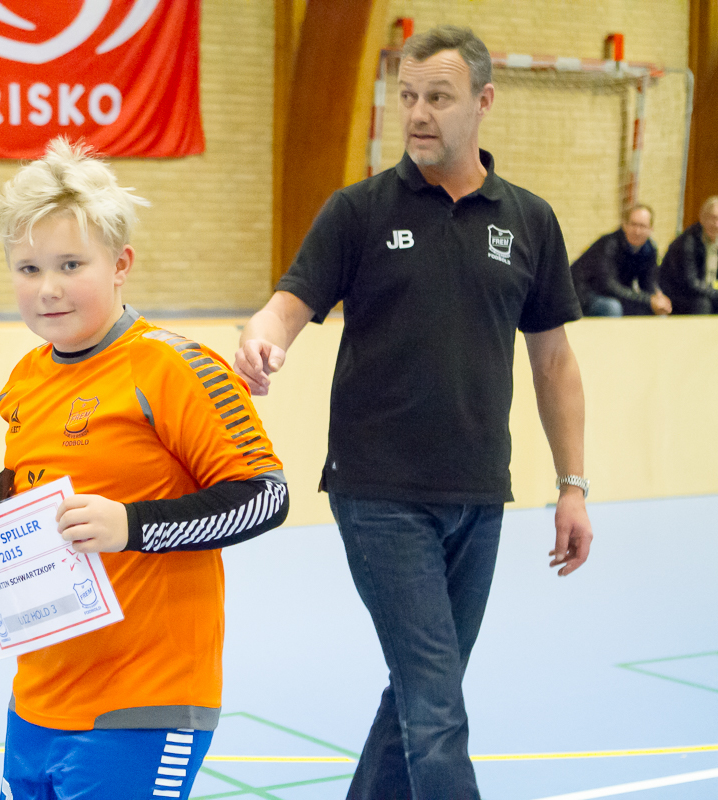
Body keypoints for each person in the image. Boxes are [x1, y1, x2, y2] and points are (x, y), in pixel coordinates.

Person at [234, 26, 593, 800]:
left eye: (438, 97)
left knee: (420, 692)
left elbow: (554, 363)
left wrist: (573, 484)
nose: (419, 113)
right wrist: (262, 339)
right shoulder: (359, 211)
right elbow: (288, 304)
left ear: (483, 102)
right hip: (379, 494)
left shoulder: (528, 221)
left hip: (478, 496)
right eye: (407, 96)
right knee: (437, 709)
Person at [0, 138, 290, 800]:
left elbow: (265, 496)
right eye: (28, 268)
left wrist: (132, 525)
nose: (47, 288)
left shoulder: (175, 368)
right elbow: (52, 493)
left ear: (121, 264)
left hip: (145, 701)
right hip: (38, 698)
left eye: (70, 264)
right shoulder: (26, 378)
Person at [569, 204, 671, 316]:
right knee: (613, 308)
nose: (637, 231)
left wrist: (658, 299)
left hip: (613, 295)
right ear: (624, 225)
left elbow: (648, 285)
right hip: (583, 296)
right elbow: (608, 286)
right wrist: (648, 300)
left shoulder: (649, 250)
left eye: (642, 226)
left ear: (651, 228)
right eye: (633, 224)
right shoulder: (608, 245)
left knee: (657, 309)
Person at [658, 195, 718, 314]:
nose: (717, 224)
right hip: (678, 294)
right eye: (713, 218)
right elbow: (691, 283)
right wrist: (716, 293)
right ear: (702, 218)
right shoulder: (688, 242)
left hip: (703, 291)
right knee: (703, 303)